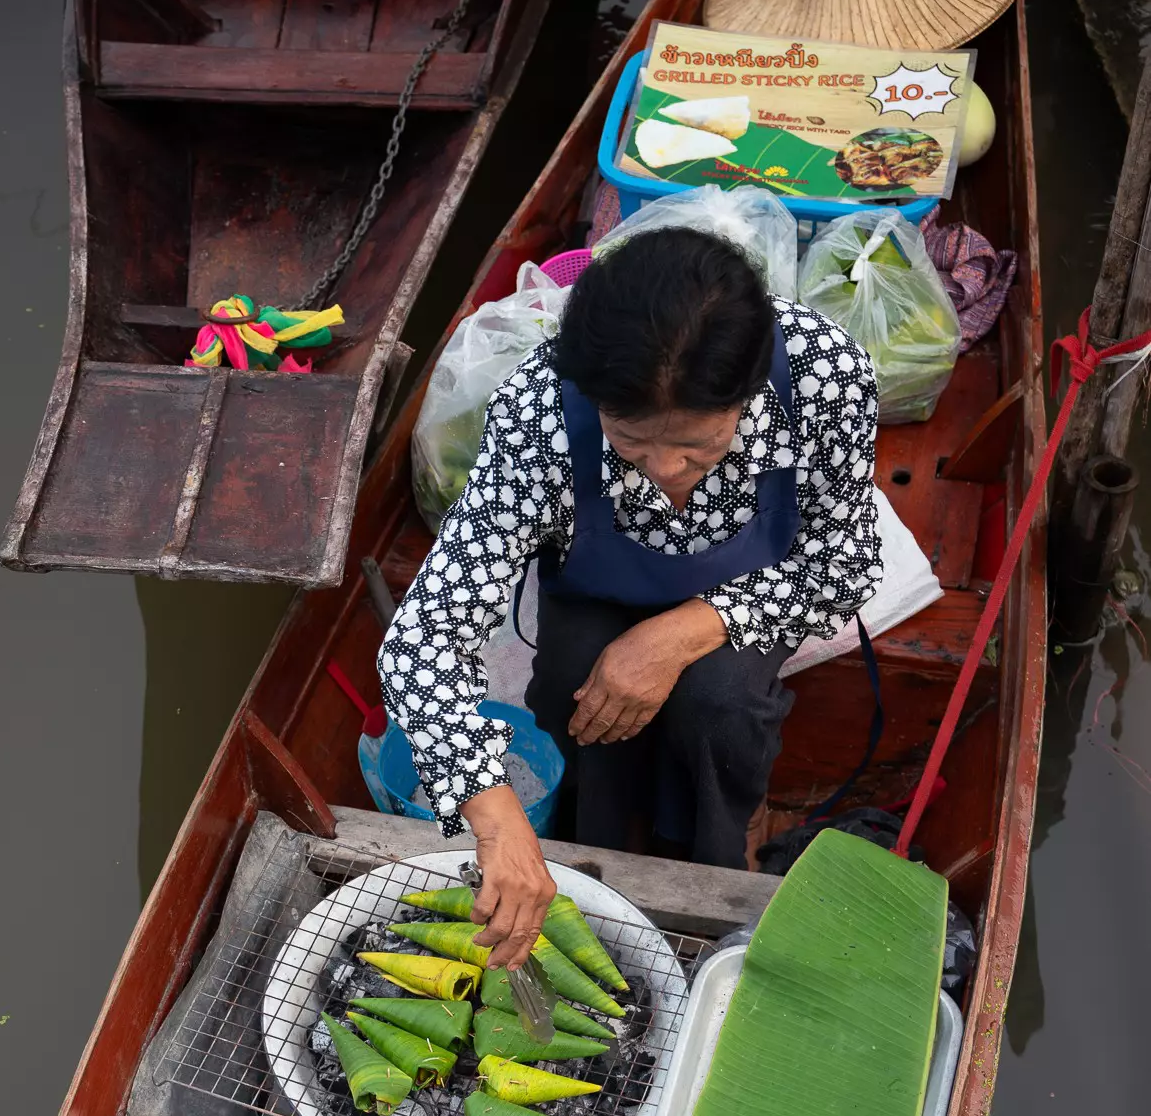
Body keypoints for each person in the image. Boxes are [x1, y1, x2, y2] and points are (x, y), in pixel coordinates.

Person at [376, 229, 881, 966]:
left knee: (718, 700)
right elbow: (424, 639)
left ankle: (710, 861)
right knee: (576, 684)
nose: (667, 470)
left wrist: (678, 633)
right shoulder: (538, 407)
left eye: (700, 445)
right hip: (595, 580)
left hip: (752, 589)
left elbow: (843, 561)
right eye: (632, 441)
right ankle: (588, 851)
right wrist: (492, 818)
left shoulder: (822, 373)